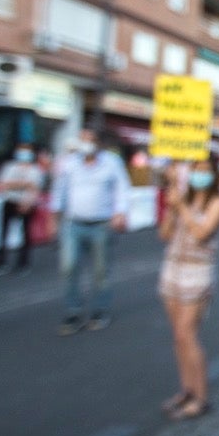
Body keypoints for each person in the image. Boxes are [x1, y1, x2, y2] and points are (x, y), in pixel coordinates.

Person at [158, 153, 219, 421]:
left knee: (188, 334)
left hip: (197, 272)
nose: (200, 174)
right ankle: (186, 389)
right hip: (173, 268)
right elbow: (164, 235)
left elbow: (201, 233)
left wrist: (183, 209)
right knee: (178, 336)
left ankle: (201, 396)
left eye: (205, 170)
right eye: (196, 169)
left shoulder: (217, 203)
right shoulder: (181, 199)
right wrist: (172, 208)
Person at [50, 127, 131, 335]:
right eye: (83, 138)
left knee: (100, 271)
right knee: (69, 267)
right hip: (73, 223)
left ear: (99, 143)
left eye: (91, 139)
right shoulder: (69, 163)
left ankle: (100, 310)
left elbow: (122, 188)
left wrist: (120, 213)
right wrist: (53, 219)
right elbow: (59, 190)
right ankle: (73, 311)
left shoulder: (112, 163)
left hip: (101, 225)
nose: (86, 143)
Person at [0, 143, 45, 275]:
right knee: (3, 233)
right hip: (10, 201)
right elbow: (1, 184)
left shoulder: (35, 170)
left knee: (25, 234)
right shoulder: (9, 167)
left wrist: (26, 200)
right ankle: (0, 263)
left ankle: (23, 264)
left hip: (27, 204)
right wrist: (24, 184)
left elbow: (35, 188)